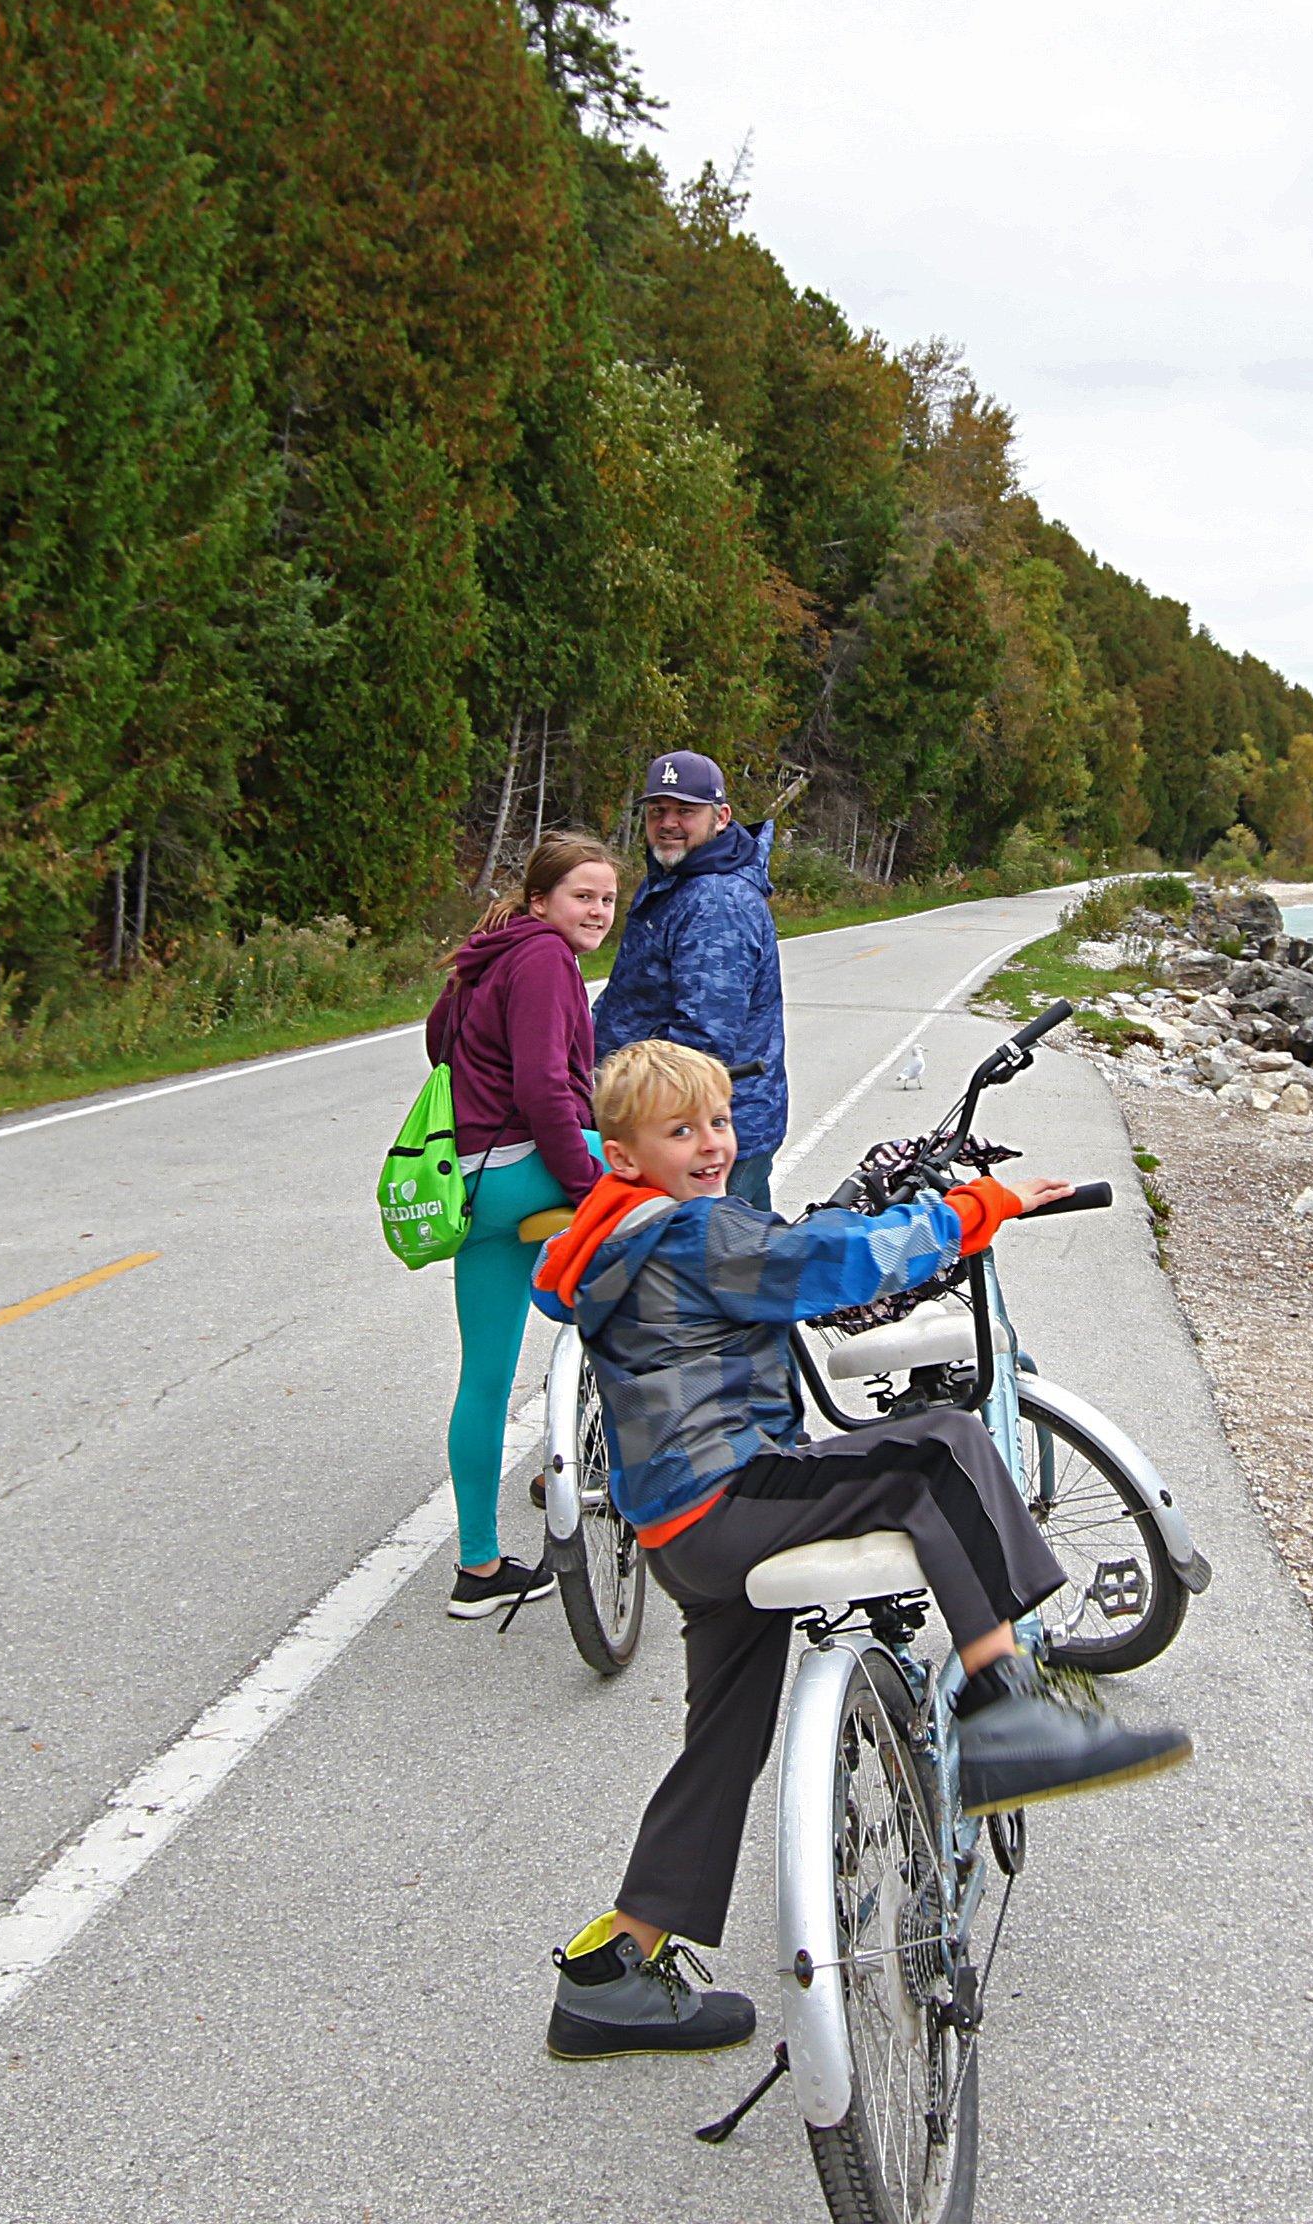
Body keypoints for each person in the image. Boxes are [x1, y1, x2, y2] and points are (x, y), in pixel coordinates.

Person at [526, 1039, 1193, 2059]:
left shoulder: (617, 1237)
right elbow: (836, 1263)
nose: (710, 1144)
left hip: (679, 1535)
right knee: (941, 1448)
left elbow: (782, 1252)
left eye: (717, 1120)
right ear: (623, 1153)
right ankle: (1003, 1702)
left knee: (723, 1742)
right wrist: (982, 1205)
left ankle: (615, 1965)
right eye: (680, 1130)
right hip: (730, 1496)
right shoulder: (697, 1233)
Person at [423, 831, 622, 1619]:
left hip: (470, 1186)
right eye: (583, 895)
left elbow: (439, 1046)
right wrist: (591, 1186)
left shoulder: (488, 953)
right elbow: (544, 1087)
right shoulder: (544, 957)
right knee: (668, 1193)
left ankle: (478, 1569)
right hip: (523, 1166)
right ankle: (635, 1458)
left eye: (608, 898)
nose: (598, 910)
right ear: (542, 900)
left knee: (485, 1376)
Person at [591, 752, 786, 1211]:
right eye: (657, 811)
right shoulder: (675, 879)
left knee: (714, 1270)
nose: (668, 823)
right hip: (689, 1126)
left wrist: (639, 1118)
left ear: (720, 817)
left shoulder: (715, 899)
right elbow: (630, 994)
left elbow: (702, 1042)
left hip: (705, 1135)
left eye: (685, 811)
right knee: (747, 1263)